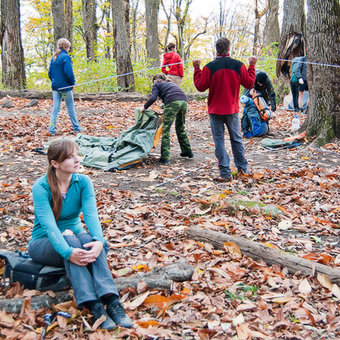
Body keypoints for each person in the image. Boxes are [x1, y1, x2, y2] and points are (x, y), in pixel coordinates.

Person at [28, 138, 132, 330]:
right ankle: (94, 306)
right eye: (70, 157)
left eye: (77, 154)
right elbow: (50, 227)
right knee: (72, 241)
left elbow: (91, 215)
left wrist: (99, 241)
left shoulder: (83, 181)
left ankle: (112, 300)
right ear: (55, 163)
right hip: (43, 243)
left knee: (89, 241)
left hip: (75, 237)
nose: (77, 159)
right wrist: (68, 251)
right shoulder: (41, 187)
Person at [193, 37, 257, 181]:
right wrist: (251, 66)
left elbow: (200, 86)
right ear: (229, 49)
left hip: (215, 111)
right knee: (236, 139)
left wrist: (197, 69)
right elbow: (249, 83)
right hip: (231, 109)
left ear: (216, 50)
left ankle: (225, 173)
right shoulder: (238, 65)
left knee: (219, 141)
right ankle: (242, 170)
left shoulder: (210, 67)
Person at [142, 74, 193, 165]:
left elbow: (153, 98)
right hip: (184, 101)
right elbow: (172, 94)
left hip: (173, 102)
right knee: (180, 127)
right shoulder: (170, 84)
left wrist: (144, 107)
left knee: (166, 129)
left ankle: (165, 158)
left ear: (155, 80)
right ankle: (187, 151)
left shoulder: (157, 84)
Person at [48, 38, 82, 135]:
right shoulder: (66, 57)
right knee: (70, 107)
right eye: (69, 47)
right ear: (66, 47)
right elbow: (69, 73)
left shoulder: (54, 58)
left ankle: (51, 129)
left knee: (55, 108)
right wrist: (72, 83)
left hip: (55, 87)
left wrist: (55, 82)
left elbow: (50, 73)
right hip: (65, 87)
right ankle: (76, 128)